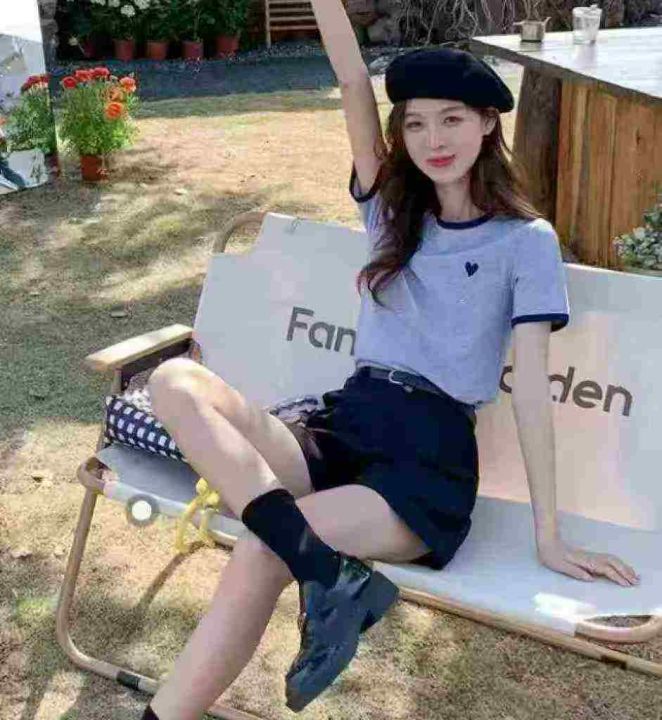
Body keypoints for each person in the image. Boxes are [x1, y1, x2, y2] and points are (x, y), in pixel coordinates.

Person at [140, 3, 640, 719]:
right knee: (173, 381)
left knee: (259, 548)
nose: (433, 139)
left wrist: (549, 535)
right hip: (344, 425)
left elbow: (531, 390)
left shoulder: (525, 241)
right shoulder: (390, 209)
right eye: (415, 123)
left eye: (452, 119)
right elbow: (352, 80)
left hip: (423, 463)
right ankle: (326, 572)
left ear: (487, 123)